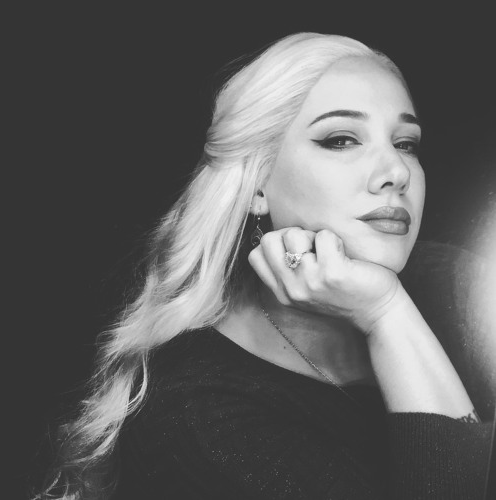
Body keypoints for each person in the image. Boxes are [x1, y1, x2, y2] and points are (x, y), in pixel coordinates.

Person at [33, 32, 493, 500]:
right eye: (340, 139)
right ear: (257, 184)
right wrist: (386, 314)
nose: (396, 172)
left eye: (406, 143)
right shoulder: (200, 413)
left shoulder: (457, 287)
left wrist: (390, 312)